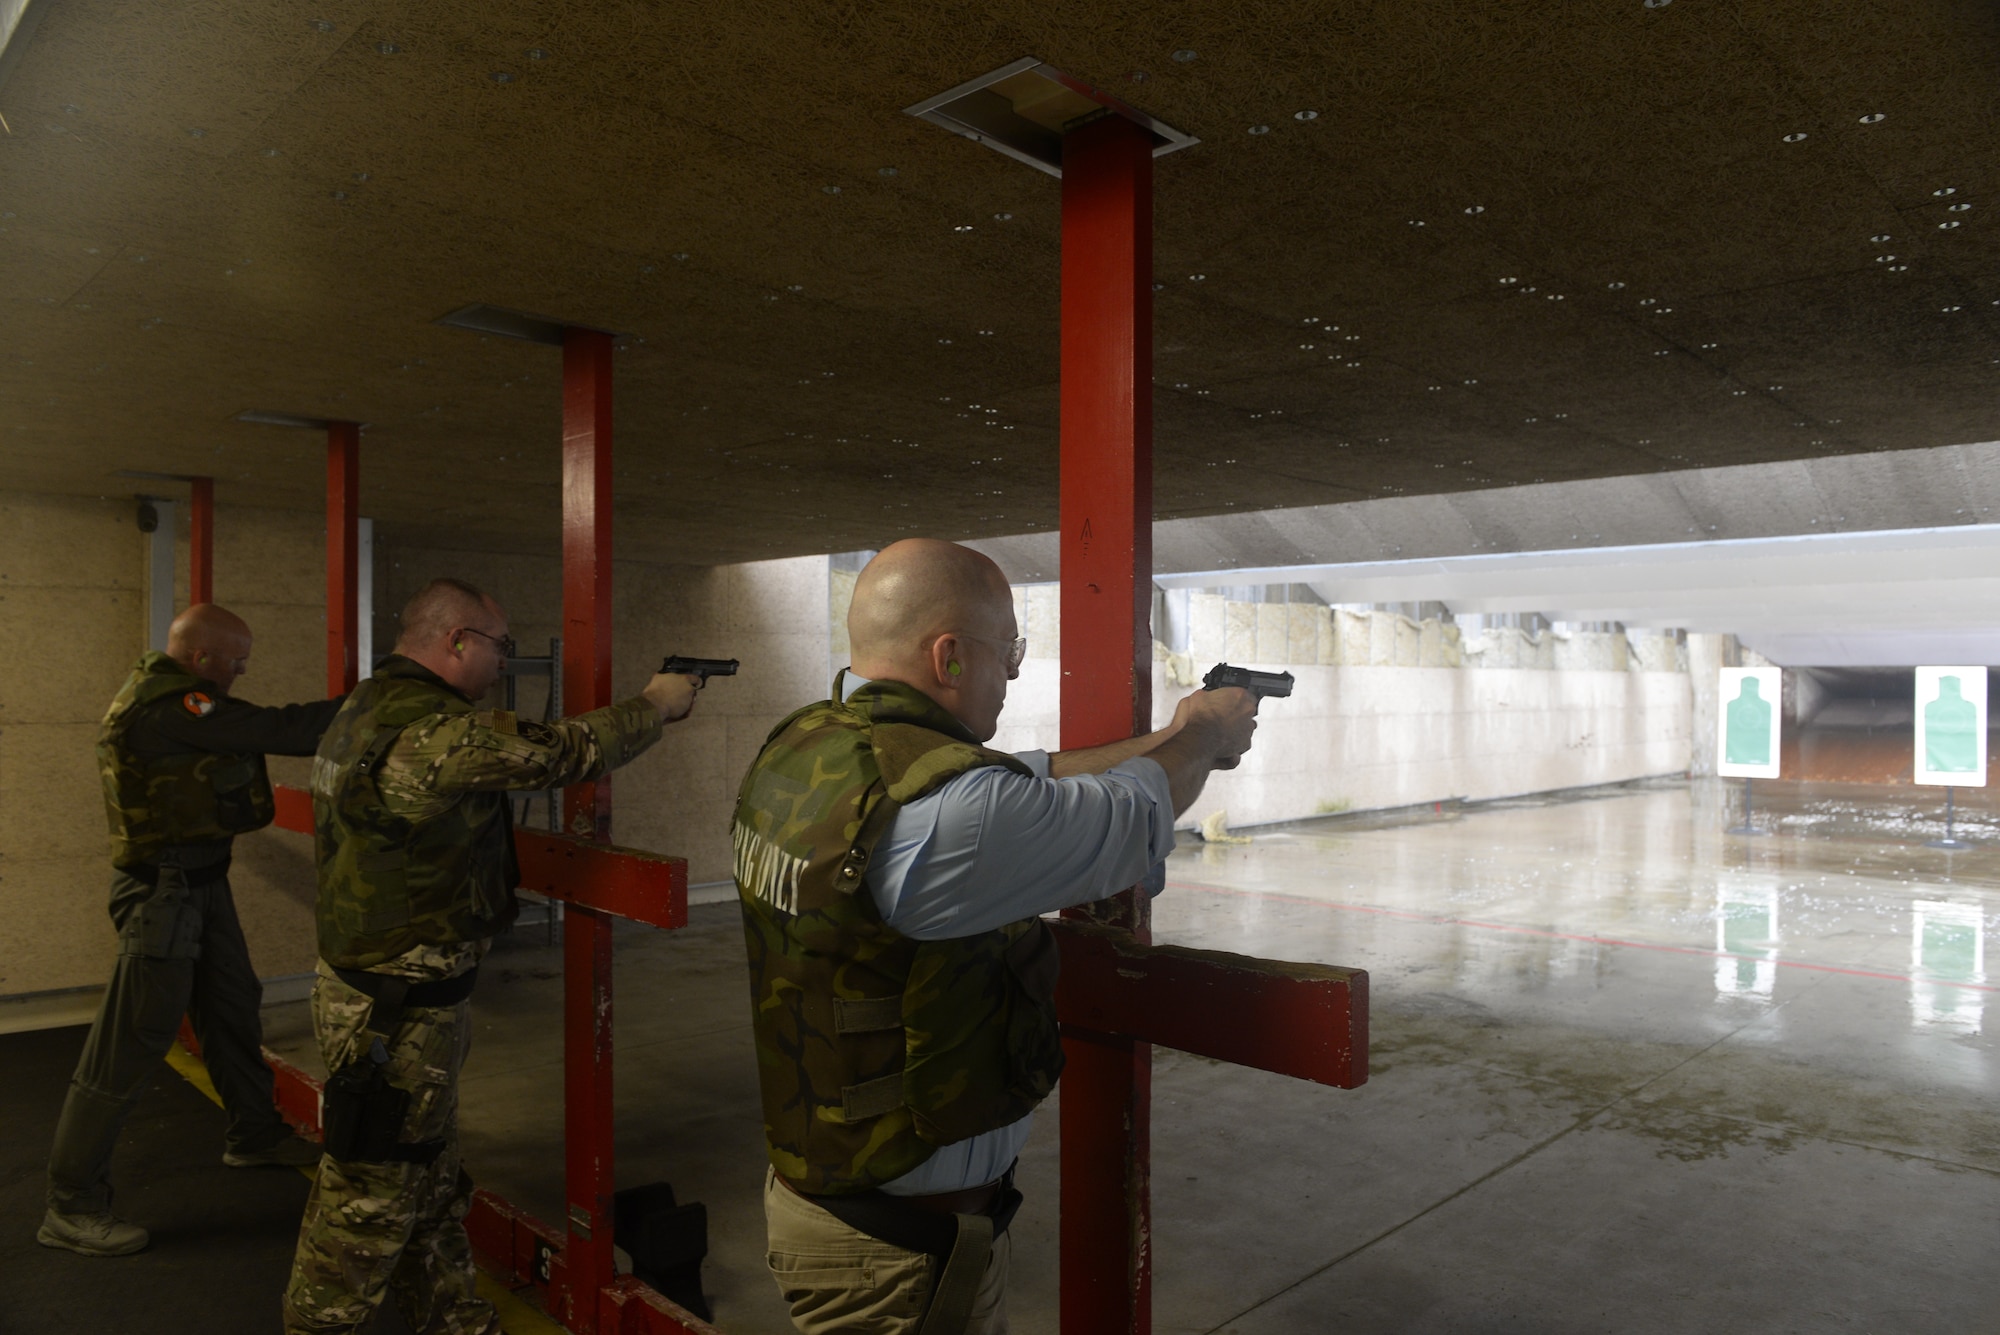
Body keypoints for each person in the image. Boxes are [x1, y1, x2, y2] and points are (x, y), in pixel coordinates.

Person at [734, 538, 1259, 1334]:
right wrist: (1200, 735)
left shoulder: (809, 743)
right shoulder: (950, 817)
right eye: (1006, 649)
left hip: (839, 1197)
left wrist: (1169, 736)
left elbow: (1028, 775)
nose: (1012, 671)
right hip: (898, 1259)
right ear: (949, 655)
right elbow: (1129, 817)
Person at [282, 577, 701, 1335]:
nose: (503, 664)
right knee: (369, 1196)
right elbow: (562, 751)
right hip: (396, 1009)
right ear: (456, 640)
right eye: (500, 647)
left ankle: (456, 1321)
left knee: (431, 1179)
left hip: (393, 995)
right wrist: (656, 703)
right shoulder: (433, 731)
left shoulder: (365, 708)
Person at [41, 604, 342, 1258]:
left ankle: (254, 1132)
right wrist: (374, 705)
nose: (241, 672)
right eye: (235, 661)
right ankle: (72, 1203)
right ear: (202, 658)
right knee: (128, 1044)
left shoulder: (178, 699)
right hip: (164, 895)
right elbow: (275, 728)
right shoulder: (171, 707)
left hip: (201, 883)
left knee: (232, 1004)